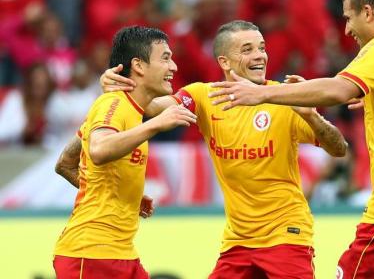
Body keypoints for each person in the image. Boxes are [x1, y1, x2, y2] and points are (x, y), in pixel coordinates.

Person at [99, 20, 348, 278]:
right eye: (247, 49)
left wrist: (312, 116)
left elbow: (339, 147)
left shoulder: (284, 97)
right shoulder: (204, 97)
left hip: (286, 235)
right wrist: (117, 84)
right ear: (224, 62)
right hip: (237, 241)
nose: (259, 55)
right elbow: (150, 107)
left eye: (261, 48)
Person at [209, 0, 374, 278]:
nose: (346, 29)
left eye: (349, 18)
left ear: (369, 13)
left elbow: (336, 90)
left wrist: (262, 93)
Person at [53, 26, 197, 279]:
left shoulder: (130, 107)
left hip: (121, 254)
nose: (173, 66)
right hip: (90, 254)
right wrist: (155, 125)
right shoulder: (112, 103)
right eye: (165, 58)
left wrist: (123, 195)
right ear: (138, 65)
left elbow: (65, 163)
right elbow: (98, 149)